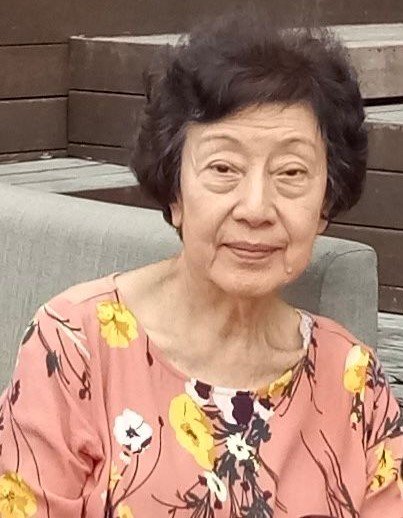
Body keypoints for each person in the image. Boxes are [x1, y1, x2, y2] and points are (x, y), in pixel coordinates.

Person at [0, 8, 402, 518]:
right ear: (175, 192)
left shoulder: (352, 381)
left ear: (326, 202)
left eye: (291, 172)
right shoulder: (75, 346)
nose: (255, 208)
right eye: (223, 167)